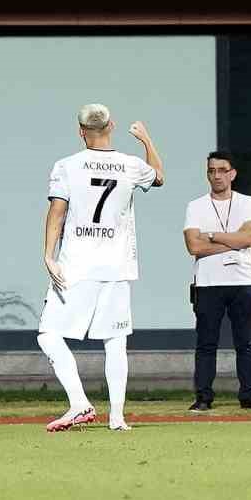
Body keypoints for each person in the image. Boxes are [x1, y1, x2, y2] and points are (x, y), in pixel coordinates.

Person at [39, 104, 164, 433]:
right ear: (112, 126)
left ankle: (79, 403)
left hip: (76, 265)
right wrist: (146, 139)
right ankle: (117, 417)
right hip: (116, 265)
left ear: (80, 131)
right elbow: (159, 176)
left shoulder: (66, 166)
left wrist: (48, 255)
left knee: (49, 335)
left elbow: (57, 211)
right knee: (115, 342)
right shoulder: (130, 165)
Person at [184, 152, 251, 411]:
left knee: (246, 343)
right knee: (206, 343)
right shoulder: (196, 206)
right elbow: (194, 245)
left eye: (221, 170)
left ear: (232, 173)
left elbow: (250, 238)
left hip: (243, 281)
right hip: (208, 283)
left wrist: (213, 236)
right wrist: (232, 242)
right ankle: (203, 397)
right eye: (211, 170)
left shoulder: (248, 202)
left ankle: (248, 396)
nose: (216, 175)